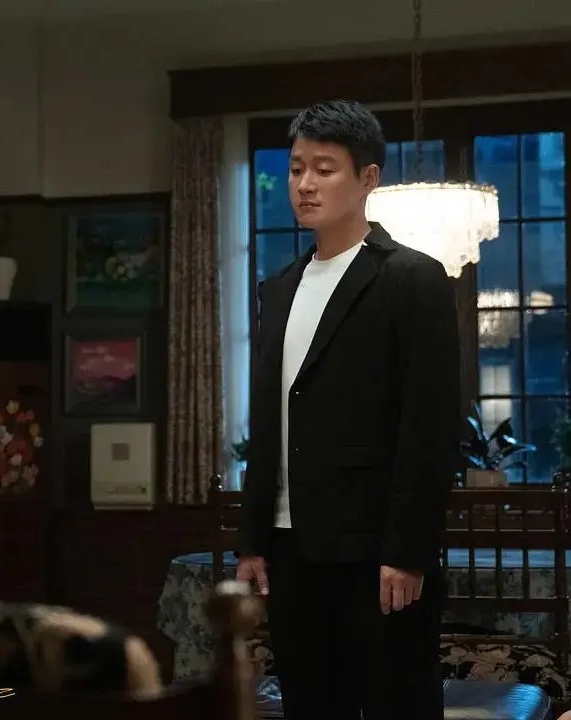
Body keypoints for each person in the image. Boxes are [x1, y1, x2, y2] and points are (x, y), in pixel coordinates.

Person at [235, 99, 461, 719]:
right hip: (290, 549)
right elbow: (270, 421)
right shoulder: (279, 287)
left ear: (368, 178)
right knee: (310, 705)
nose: (305, 184)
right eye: (296, 169)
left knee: (397, 704)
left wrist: (408, 551)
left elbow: (430, 427)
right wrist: (253, 540)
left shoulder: (412, 278)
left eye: (324, 169)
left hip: (377, 552)